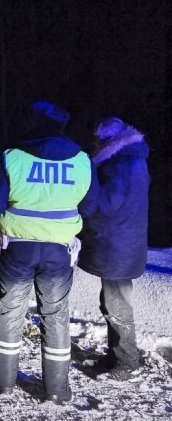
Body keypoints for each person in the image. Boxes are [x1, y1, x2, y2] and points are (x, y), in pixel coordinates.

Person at [0, 100, 98, 404]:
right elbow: (90, 206)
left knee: (10, 312)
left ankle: (3, 383)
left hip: (18, 250)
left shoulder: (12, 157)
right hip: (59, 252)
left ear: (31, 123)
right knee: (56, 315)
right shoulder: (83, 161)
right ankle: (57, 390)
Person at [78, 118, 150, 381]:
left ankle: (127, 361)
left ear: (108, 141)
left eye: (97, 140)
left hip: (117, 246)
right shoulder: (131, 160)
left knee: (116, 304)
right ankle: (117, 354)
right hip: (123, 243)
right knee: (112, 302)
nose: (94, 144)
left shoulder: (121, 165)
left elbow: (104, 205)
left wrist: (88, 182)